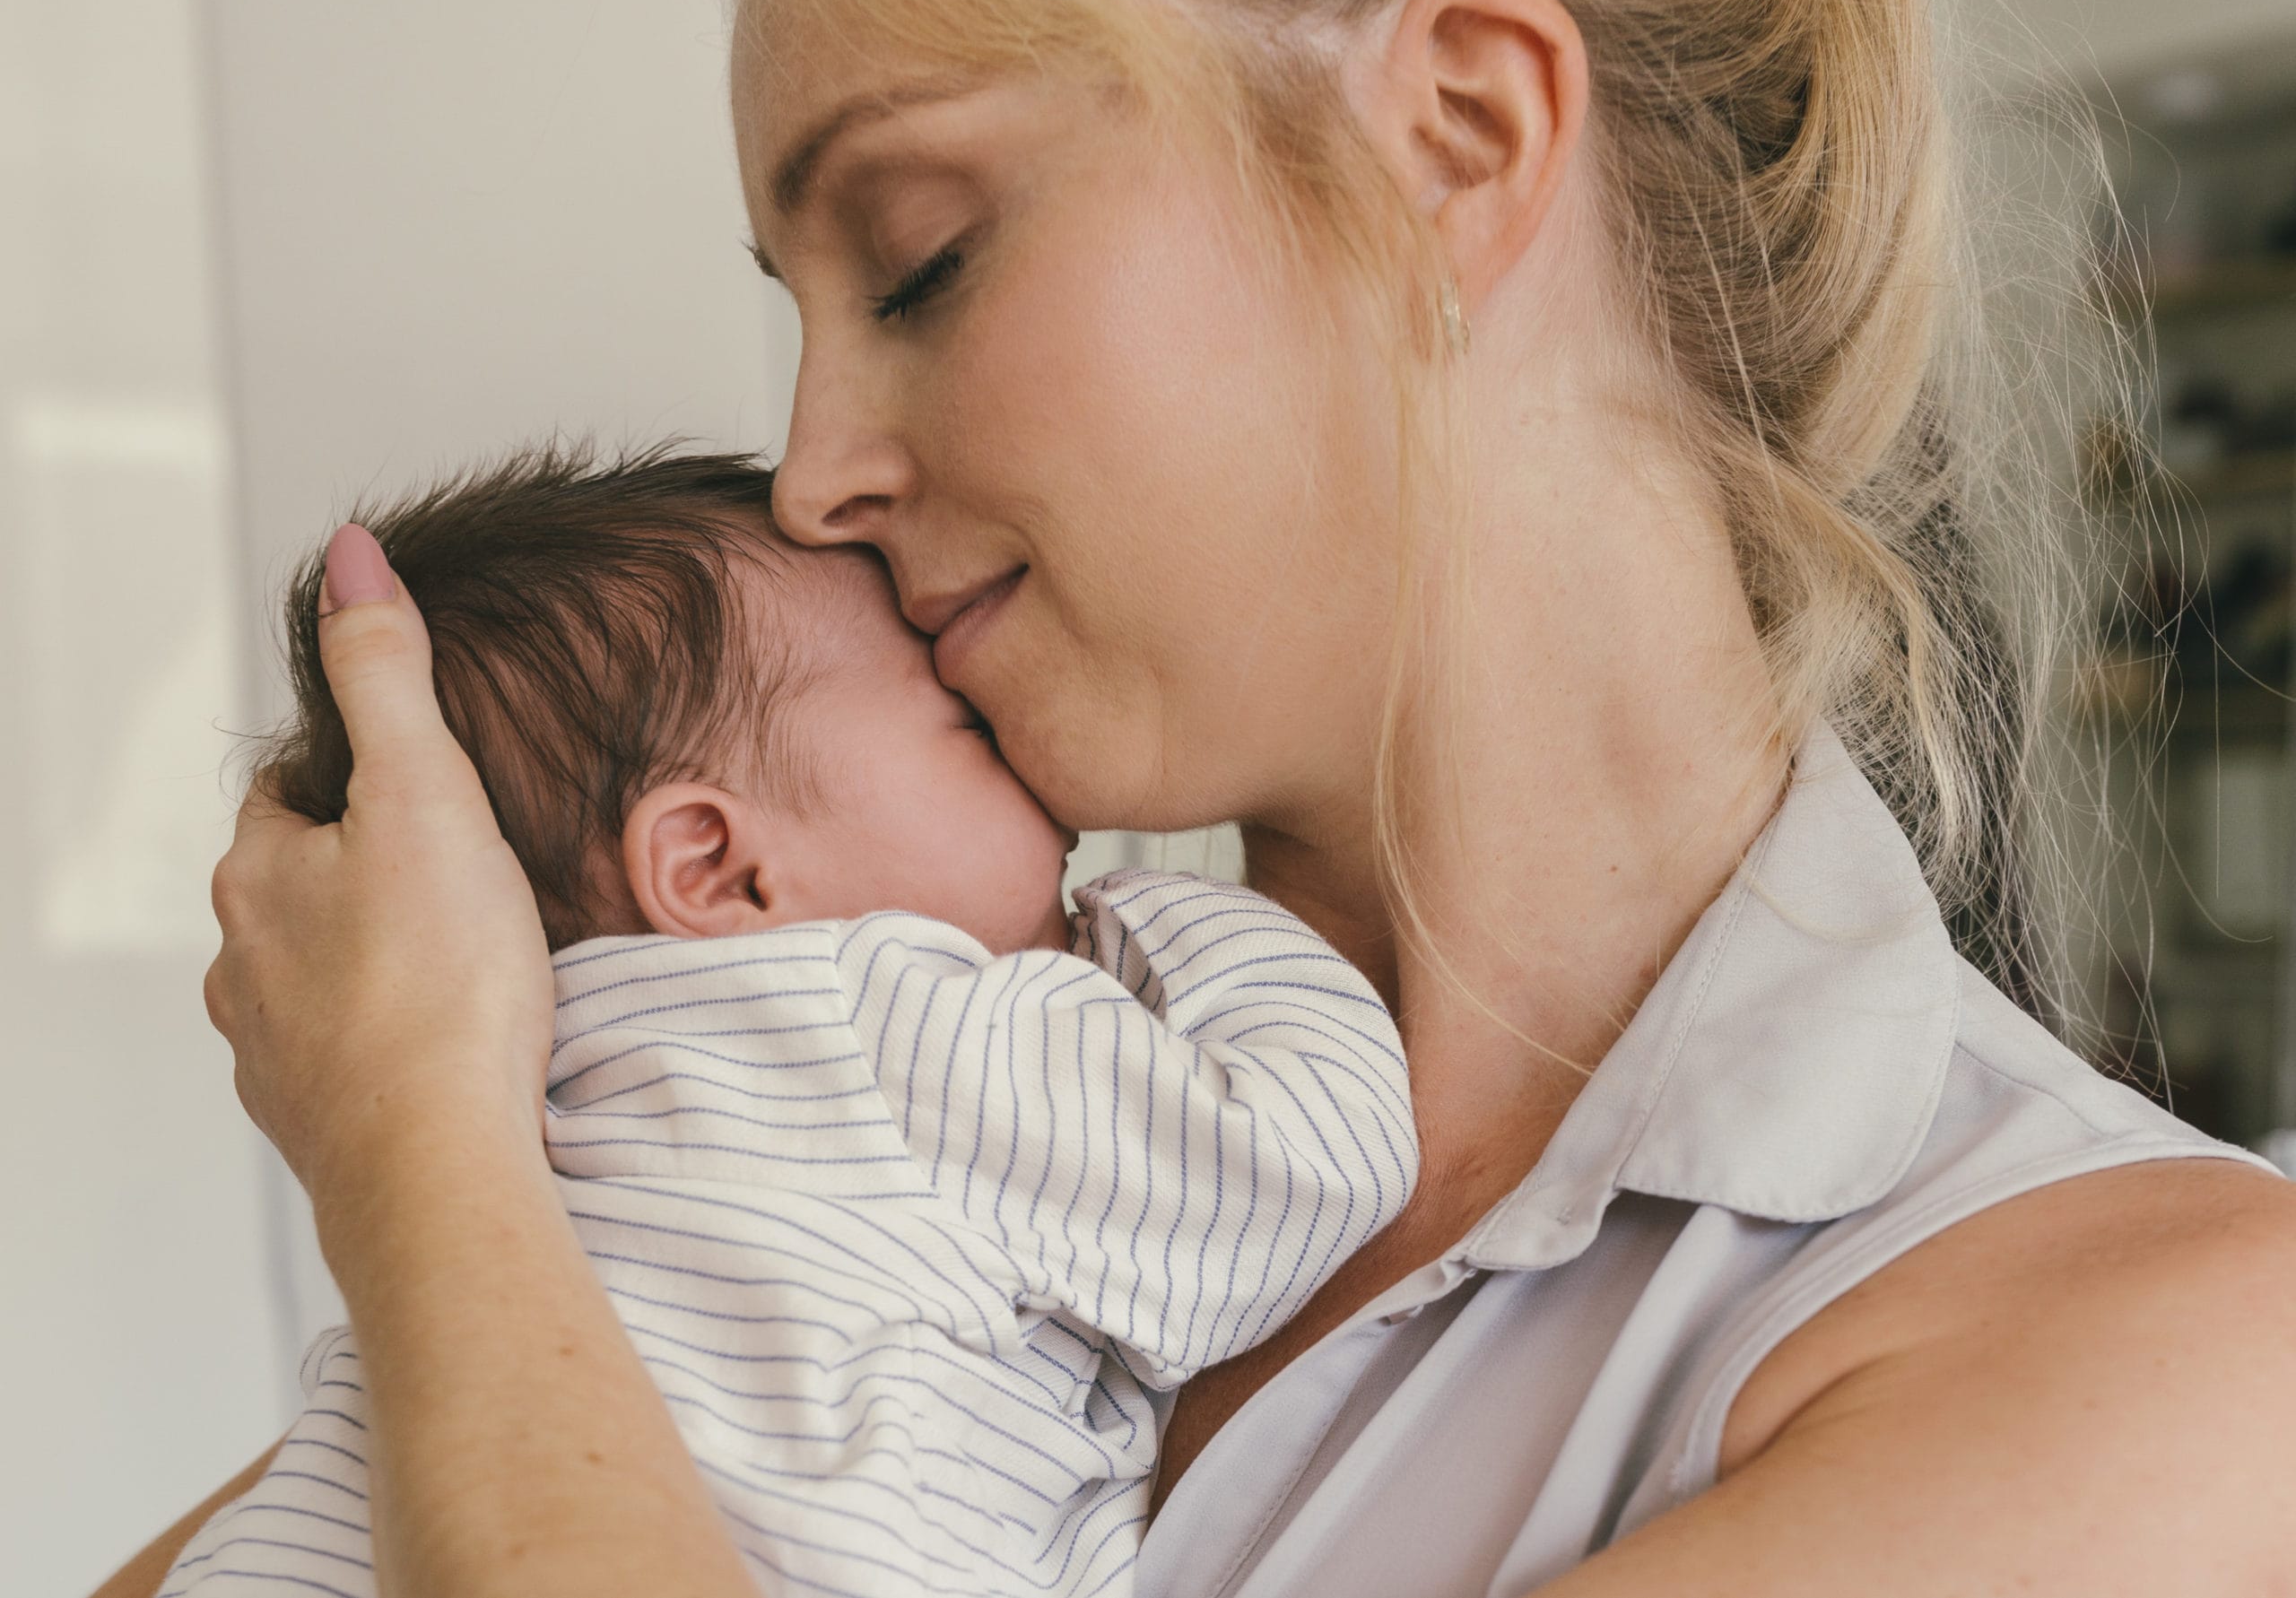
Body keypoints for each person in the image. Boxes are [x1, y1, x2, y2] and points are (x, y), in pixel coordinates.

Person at [103, 0, 2296, 1590]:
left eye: (922, 255)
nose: (814, 470)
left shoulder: (2159, 1363)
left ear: (1451, 136)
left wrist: (415, 1152)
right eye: (800, 305)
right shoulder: (802, 1111)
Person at [157, 446, 1415, 1597]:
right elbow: (1312, 1150)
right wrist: (1165, 910)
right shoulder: (883, 1023)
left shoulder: (526, 1095)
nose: (1040, 767)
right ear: (719, 870)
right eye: (972, 728)